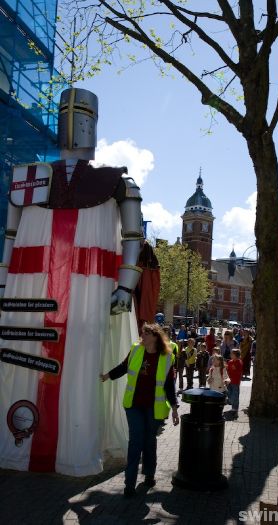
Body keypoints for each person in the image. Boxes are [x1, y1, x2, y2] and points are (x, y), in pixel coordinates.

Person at [0, 88, 143, 475]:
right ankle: (28, 445)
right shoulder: (28, 180)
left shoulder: (116, 183)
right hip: (32, 291)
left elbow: (133, 238)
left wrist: (125, 286)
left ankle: (71, 448)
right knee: (25, 365)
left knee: (80, 366)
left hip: (86, 292)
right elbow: (10, 239)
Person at [100, 323, 179, 497]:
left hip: (153, 408)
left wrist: (174, 408)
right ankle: (129, 484)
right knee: (135, 441)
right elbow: (123, 367)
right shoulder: (136, 350)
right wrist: (106, 376)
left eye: (145, 334)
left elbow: (169, 385)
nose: (141, 337)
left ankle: (149, 474)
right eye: (142, 334)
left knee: (149, 441)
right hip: (134, 405)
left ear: (154, 337)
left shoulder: (167, 357)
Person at [227, 349, 243, 418]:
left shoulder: (239, 362)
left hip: (236, 382)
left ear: (236, 355)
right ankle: (231, 402)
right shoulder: (230, 362)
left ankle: (235, 409)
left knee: (235, 396)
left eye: (232, 354)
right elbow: (228, 371)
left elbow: (239, 373)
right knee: (229, 394)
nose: (230, 355)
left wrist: (235, 369)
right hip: (229, 381)